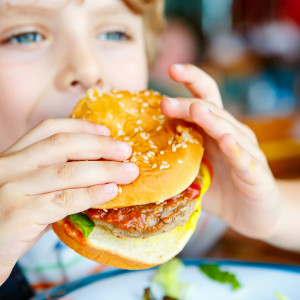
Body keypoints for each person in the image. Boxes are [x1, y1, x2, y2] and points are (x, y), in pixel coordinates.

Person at [0, 0, 299, 297]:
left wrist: (274, 214)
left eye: (115, 33)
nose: (88, 69)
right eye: (25, 36)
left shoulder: (166, 194)